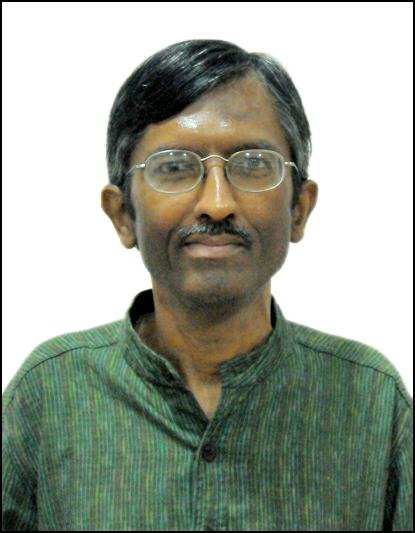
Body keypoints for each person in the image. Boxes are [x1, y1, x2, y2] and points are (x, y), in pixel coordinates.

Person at [2, 39, 412, 532]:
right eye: (175, 167)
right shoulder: (49, 395)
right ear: (123, 214)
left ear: (299, 209)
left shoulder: (371, 400)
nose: (217, 204)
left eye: (253, 164)